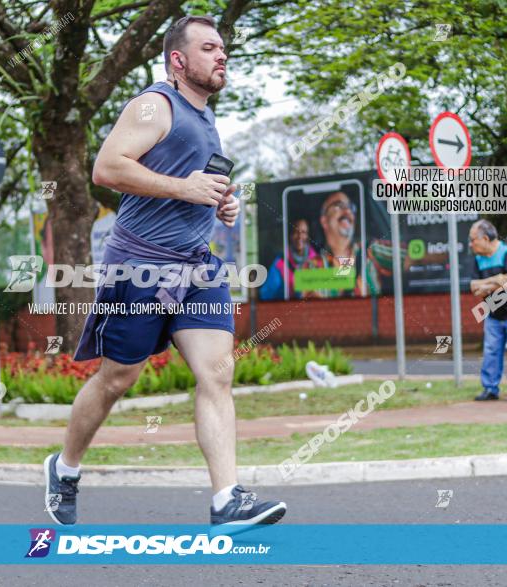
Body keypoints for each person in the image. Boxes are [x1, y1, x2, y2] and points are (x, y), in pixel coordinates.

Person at [42, 15, 286, 529]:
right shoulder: (154, 104)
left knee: (218, 373)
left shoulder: (206, 116)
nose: (222, 55)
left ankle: (227, 501)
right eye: (209, 48)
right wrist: (185, 189)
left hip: (197, 268)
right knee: (117, 378)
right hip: (141, 266)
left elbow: (190, 182)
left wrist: (218, 204)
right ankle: (64, 469)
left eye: (224, 48)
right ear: (178, 60)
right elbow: (106, 168)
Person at [468, 219, 507, 402]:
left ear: (485, 238)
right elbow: (473, 287)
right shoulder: (477, 259)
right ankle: (490, 389)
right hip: (493, 314)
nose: (471, 244)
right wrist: (497, 279)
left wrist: (486, 287)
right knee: (491, 352)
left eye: (473, 240)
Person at [259, 218, 321, 300]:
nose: (299, 236)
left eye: (303, 232)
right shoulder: (280, 263)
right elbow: (266, 295)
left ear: (308, 236)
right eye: (296, 232)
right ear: (290, 236)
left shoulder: (317, 260)